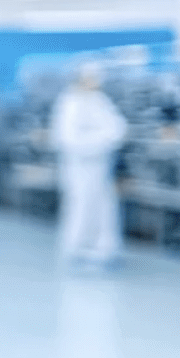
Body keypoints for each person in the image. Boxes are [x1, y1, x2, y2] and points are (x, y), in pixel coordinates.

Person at [51, 64, 127, 269]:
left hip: (101, 169)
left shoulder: (100, 101)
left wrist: (100, 139)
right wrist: (100, 141)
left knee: (104, 209)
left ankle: (103, 252)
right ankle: (76, 251)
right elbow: (68, 140)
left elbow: (119, 129)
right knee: (81, 207)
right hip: (79, 169)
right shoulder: (69, 103)